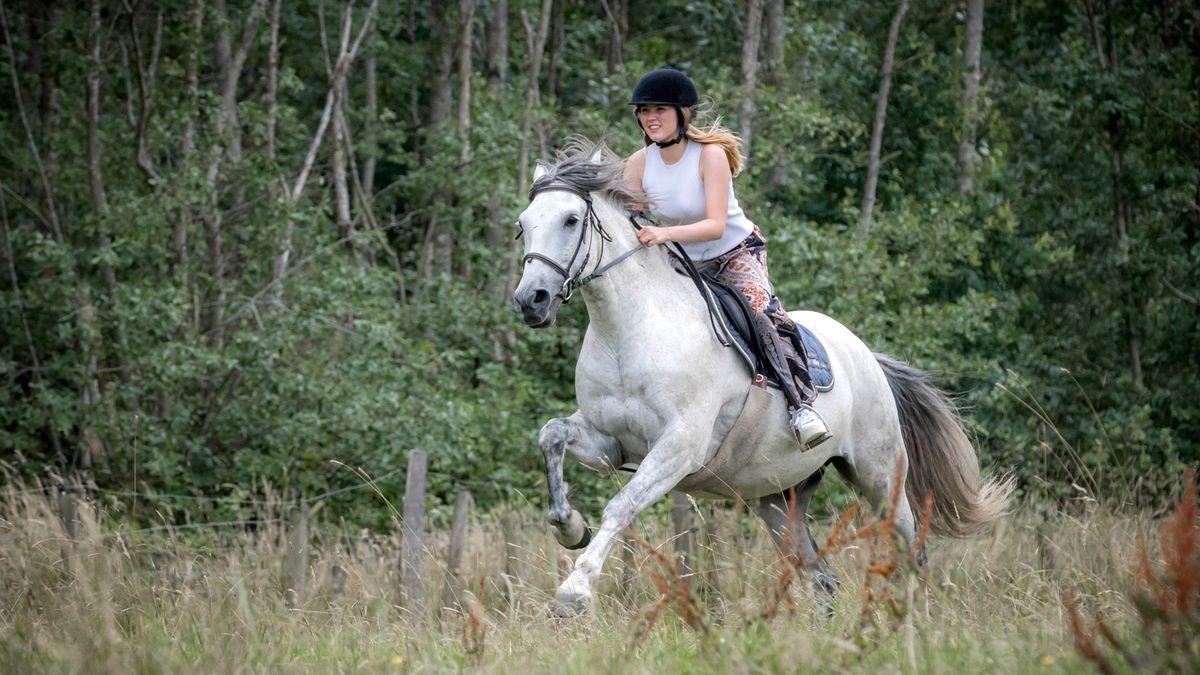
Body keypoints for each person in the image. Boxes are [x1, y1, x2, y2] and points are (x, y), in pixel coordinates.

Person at [622, 67, 831, 450]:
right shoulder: (638, 164)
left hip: (733, 253)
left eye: (659, 110)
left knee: (761, 312)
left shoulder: (710, 156)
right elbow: (628, 217)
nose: (650, 117)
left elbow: (715, 225)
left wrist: (664, 234)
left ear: (683, 114)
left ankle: (803, 407)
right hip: (682, 261)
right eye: (644, 110)